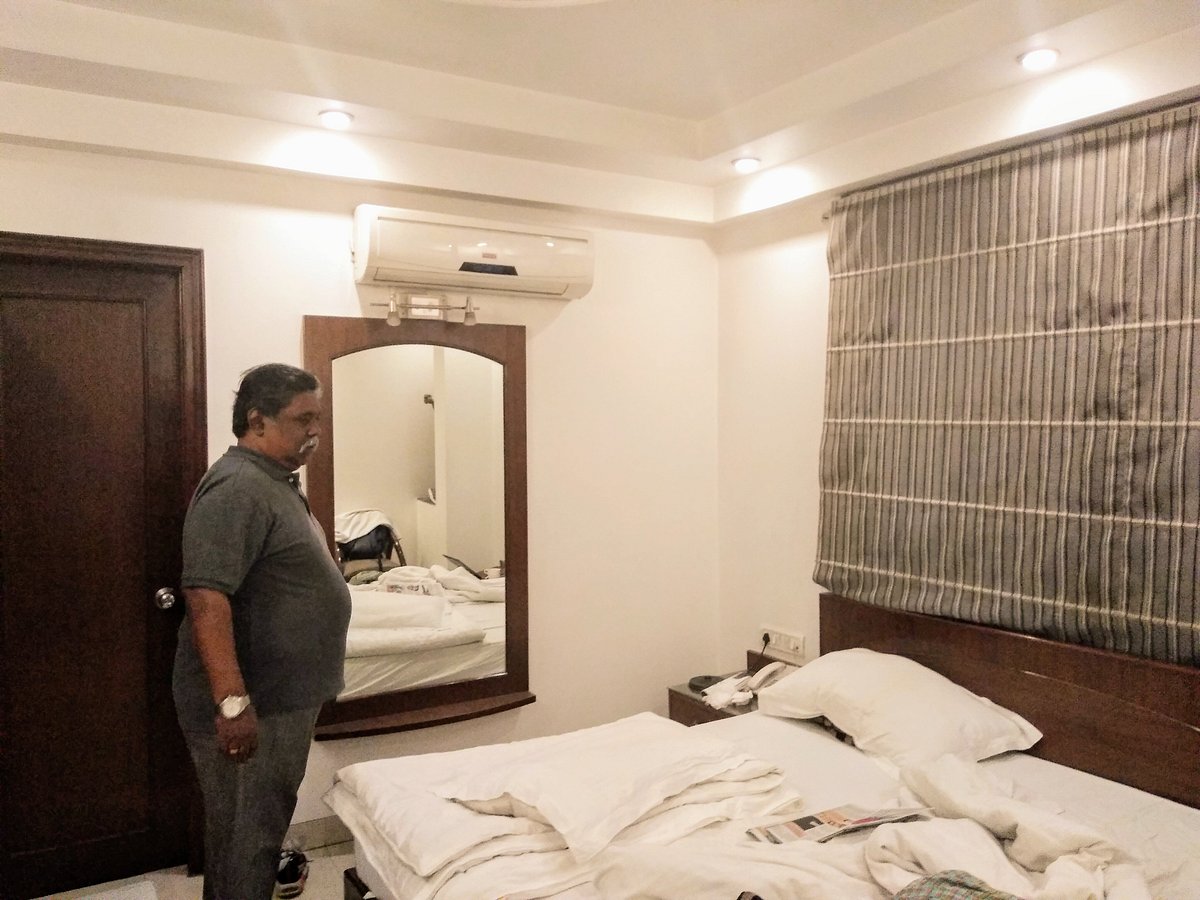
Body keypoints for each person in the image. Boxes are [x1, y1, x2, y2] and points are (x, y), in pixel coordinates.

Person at [173, 363, 351, 900]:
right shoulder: (238, 486)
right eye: (302, 419)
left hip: (279, 700)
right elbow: (206, 599)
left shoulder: (272, 480)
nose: (315, 431)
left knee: (255, 831)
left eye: (319, 418)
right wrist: (233, 705)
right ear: (257, 420)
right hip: (256, 704)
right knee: (245, 839)